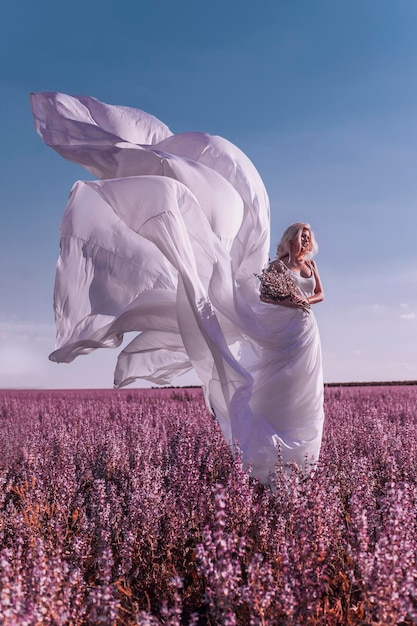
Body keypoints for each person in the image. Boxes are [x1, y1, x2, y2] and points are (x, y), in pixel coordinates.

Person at [30, 92, 324, 485]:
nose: (304, 241)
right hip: (287, 326)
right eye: (300, 235)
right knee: (277, 384)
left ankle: (299, 461)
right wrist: (291, 300)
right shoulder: (274, 266)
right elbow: (269, 294)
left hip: (305, 331)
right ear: (291, 238)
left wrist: (303, 301)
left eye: (308, 236)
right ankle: (273, 457)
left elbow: (317, 295)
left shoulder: (309, 264)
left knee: (303, 390)